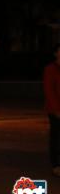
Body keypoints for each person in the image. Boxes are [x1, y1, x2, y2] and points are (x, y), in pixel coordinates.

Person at [43, 43, 60, 177]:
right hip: (56, 110)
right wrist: (56, 109)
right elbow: (49, 90)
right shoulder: (50, 69)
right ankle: (56, 164)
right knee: (56, 137)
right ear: (56, 53)